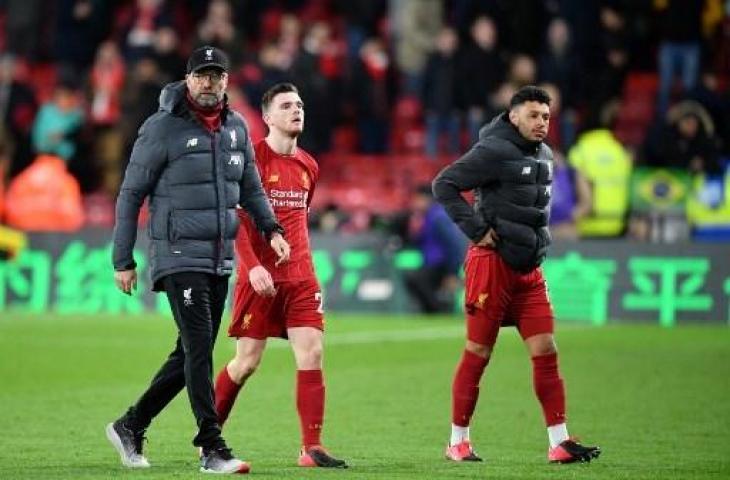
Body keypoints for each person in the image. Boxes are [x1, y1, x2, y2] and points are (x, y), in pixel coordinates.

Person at [107, 46, 290, 475]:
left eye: (217, 75)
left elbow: (251, 186)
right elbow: (131, 193)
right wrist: (122, 259)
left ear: (227, 81)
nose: (209, 83)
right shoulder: (161, 128)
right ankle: (212, 446)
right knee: (199, 350)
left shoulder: (236, 127)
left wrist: (273, 229)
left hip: (217, 256)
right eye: (201, 75)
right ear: (188, 80)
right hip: (176, 254)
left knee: (195, 348)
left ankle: (130, 424)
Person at [432, 85, 601, 464]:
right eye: (533, 115)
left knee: (546, 349)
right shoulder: (493, 150)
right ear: (513, 116)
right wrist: (476, 230)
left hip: (529, 270)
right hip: (492, 266)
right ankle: (457, 441)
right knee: (479, 352)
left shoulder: (544, 153)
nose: (541, 123)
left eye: (545, 116)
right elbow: (444, 184)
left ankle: (558, 441)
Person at [213, 82, 348, 469]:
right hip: (260, 278)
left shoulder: (309, 165)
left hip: (302, 276)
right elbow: (236, 221)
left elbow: (299, 219)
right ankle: (210, 438)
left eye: (300, 104)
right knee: (247, 362)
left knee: (313, 352)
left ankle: (312, 447)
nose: (297, 110)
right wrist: (252, 267)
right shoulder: (250, 161)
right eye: (287, 105)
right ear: (268, 116)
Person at [404, 184, 466, 313]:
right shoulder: (425, 217)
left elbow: (454, 244)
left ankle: (437, 310)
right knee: (416, 280)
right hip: (431, 263)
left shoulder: (439, 217)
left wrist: (452, 273)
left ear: (426, 199)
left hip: (441, 264)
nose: (415, 203)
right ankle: (433, 310)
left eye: (417, 199)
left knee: (415, 279)